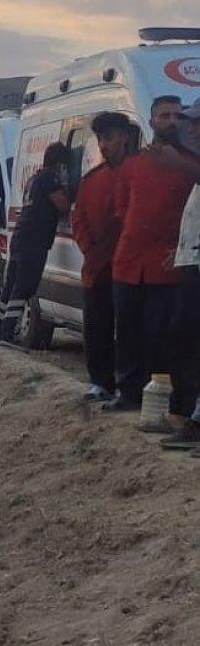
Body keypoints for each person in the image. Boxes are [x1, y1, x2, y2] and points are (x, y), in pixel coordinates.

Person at [104, 94, 200, 412]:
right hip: (129, 263)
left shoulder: (190, 165)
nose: (171, 121)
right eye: (164, 116)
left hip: (170, 266)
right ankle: (128, 393)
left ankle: (159, 401)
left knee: (160, 336)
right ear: (151, 121)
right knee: (126, 330)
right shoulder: (133, 165)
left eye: (176, 116)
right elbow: (122, 209)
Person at [71, 111, 132, 400]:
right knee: (97, 327)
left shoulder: (137, 173)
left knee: (130, 330)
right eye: (100, 139)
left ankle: (128, 385)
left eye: (108, 138)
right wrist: (89, 250)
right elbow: (79, 219)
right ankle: (100, 382)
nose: (104, 145)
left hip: (129, 266)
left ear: (124, 137)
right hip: (97, 267)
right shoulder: (91, 180)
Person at [0, 142, 70, 345]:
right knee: (23, 287)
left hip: (21, 237)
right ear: (59, 164)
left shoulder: (34, 178)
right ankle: (9, 334)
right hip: (34, 241)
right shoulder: (50, 178)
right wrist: (68, 188)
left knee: (10, 287)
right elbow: (63, 205)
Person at [161, 98, 200, 448]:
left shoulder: (191, 164)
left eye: (197, 122)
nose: (192, 128)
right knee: (183, 337)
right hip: (191, 260)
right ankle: (189, 416)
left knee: (189, 339)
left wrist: (179, 165)